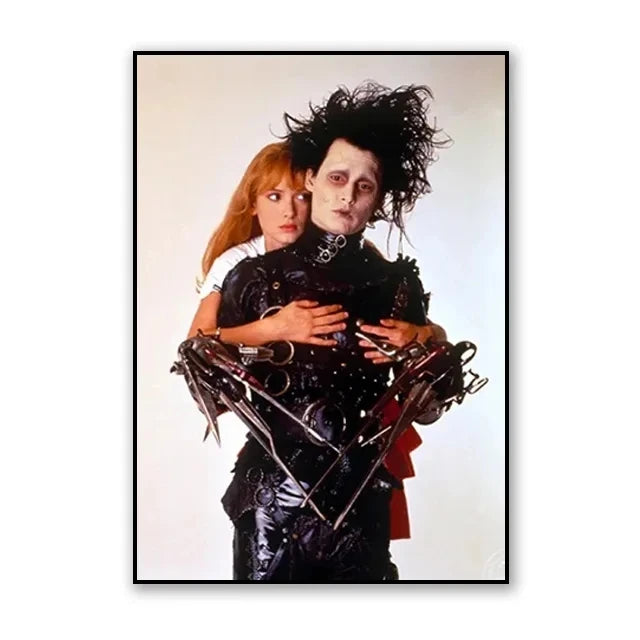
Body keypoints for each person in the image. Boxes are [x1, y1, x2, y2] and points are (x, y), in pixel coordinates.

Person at [212, 82, 449, 581]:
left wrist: (427, 350)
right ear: (312, 178)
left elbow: (428, 410)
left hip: (362, 503)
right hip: (270, 504)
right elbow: (208, 387)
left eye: (364, 186)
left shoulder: (397, 286)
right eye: (337, 177)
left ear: (377, 198)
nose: (347, 195)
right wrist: (266, 334)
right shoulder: (253, 278)